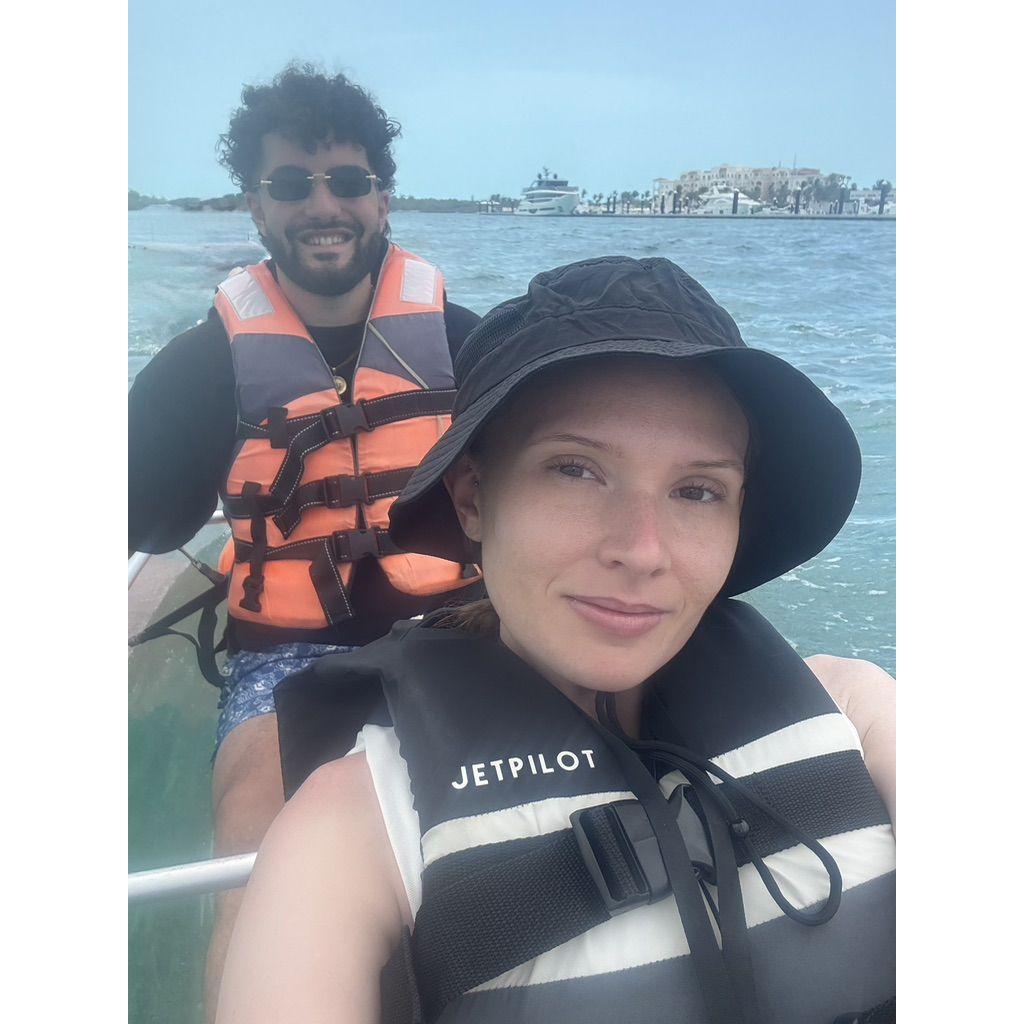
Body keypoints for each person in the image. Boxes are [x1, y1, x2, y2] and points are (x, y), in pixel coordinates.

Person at [216, 257, 896, 1024]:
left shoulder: (860, 713)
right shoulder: (353, 826)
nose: (642, 550)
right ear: (474, 498)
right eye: (575, 471)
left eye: (697, 491)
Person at [127, 64, 482, 1017]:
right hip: (287, 655)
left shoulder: (471, 344)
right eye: (292, 185)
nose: (323, 206)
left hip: (462, 632)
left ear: (383, 195)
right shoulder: (200, 371)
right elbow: (135, 517)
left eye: (347, 182)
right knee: (254, 808)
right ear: (256, 204)